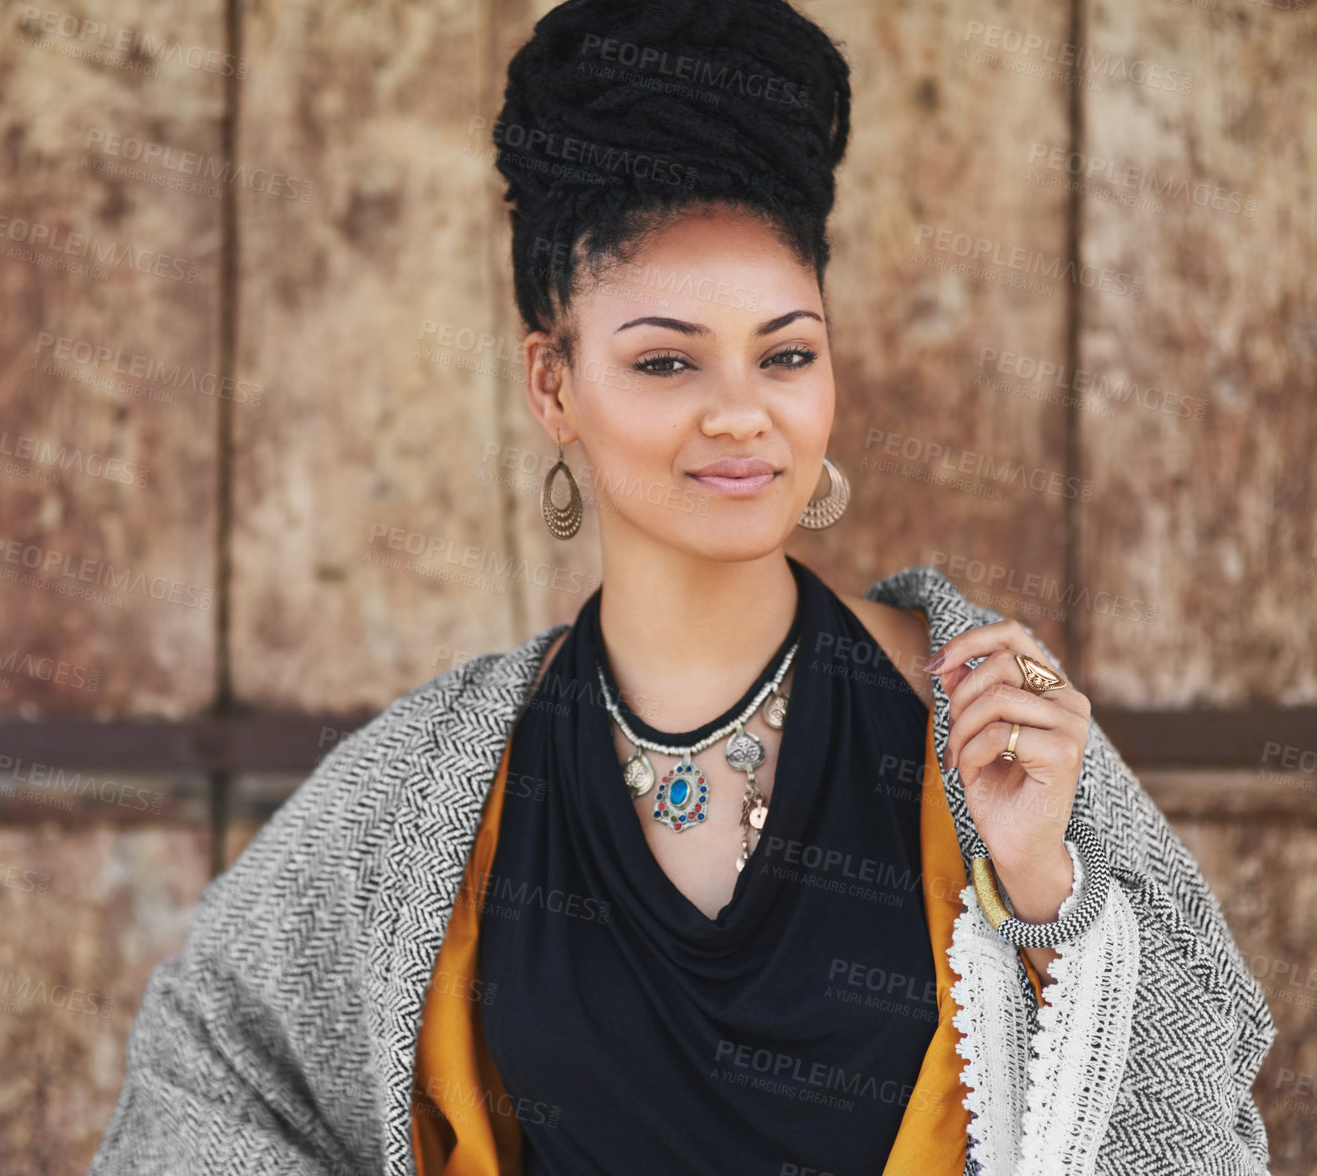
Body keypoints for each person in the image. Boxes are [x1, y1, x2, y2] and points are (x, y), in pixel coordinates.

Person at [88, 1, 1275, 1172]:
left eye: (787, 353)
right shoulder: (437, 789)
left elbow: (1204, 1126)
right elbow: (207, 1074)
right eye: (665, 360)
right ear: (553, 383)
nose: (742, 413)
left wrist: (1046, 897)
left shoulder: (982, 718)